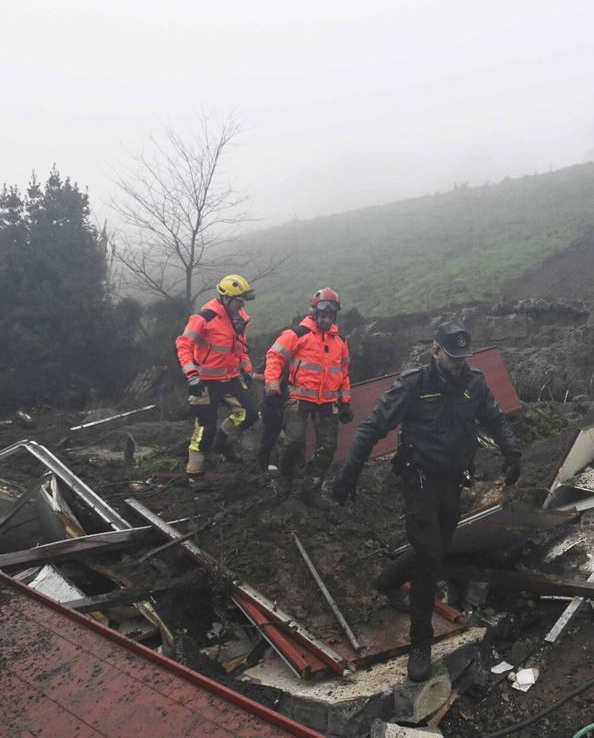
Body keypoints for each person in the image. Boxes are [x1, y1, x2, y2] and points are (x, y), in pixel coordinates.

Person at [331, 322, 521, 682]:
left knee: (436, 546)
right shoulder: (413, 385)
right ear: (435, 351)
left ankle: (387, 581)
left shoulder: (474, 382)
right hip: (419, 480)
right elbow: (372, 428)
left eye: (463, 357)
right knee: (430, 558)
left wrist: (513, 452)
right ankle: (421, 643)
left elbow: (494, 417)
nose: (459, 364)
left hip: (454, 479)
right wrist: (348, 476)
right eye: (452, 357)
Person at [258, 287, 352, 500]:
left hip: (328, 401)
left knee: (328, 447)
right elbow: (274, 357)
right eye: (323, 313)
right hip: (299, 397)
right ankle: (285, 480)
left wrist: (345, 401)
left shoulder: (341, 342)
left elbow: (344, 373)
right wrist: (272, 386)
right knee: (294, 442)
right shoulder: (297, 334)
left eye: (330, 314)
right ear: (314, 312)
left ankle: (311, 488)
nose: (326, 318)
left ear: (335, 314)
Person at [175, 274, 259, 490]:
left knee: (249, 413)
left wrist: (247, 370)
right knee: (205, 429)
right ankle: (195, 474)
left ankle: (223, 443)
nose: (241, 305)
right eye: (238, 300)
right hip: (204, 382)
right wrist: (191, 375)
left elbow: (239, 348)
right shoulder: (205, 317)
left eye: (243, 301)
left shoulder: (238, 318)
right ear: (225, 298)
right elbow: (184, 344)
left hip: (229, 379)